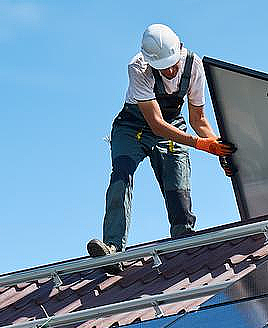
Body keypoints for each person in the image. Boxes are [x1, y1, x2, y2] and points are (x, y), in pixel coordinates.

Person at [87, 24, 235, 258]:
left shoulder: (193, 65)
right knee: (121, 175)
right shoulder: (138, 67)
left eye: (171, 65)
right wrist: (199, 144)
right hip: (133, 127)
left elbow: (198, 119)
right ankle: (113, 248)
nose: (169, 72)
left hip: (173, 124)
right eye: (162, 68)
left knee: (178, 185)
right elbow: (155, 123)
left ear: (180, 50)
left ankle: (183, 239)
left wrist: (220, 150)